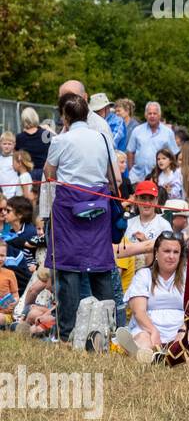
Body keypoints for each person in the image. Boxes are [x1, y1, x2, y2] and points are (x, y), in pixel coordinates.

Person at [44, 92, 118, 345]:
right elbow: (110, 174)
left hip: (68, 208)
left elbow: (48, 172)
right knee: (101, 268)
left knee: (68, 270)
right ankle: (111, 333)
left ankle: (66, 335)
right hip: (98, 204)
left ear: (64, 115)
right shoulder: (101, 138)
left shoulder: (61, 140)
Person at [117, 230, 186, 362]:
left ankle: (165, 354)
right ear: (156, 253)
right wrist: (154, 331)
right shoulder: (144, 275)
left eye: (175, 252)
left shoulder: (187, 277)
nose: (171, 256)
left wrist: (182, 331)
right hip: (148, 327)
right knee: (144, 340)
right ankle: (146, 353)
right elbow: (138, 311)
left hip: (179, 329)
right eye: (166, 251)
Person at [125, 102, 179, 185]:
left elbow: (174, 155)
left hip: (159, 178)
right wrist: (131, 168)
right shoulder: (137, 130)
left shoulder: (168, 133)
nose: (152, 116)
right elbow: (130, 151)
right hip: (137, 177)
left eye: (155, 113)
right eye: (149, 113)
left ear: (159, 115)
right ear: (145, 115)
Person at [15, 106, 53, 177]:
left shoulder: (19, 137)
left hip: (26, 174)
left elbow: (16, 156)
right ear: (35, 117)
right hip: (43, 173)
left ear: (23, 120)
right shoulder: (45, 134)